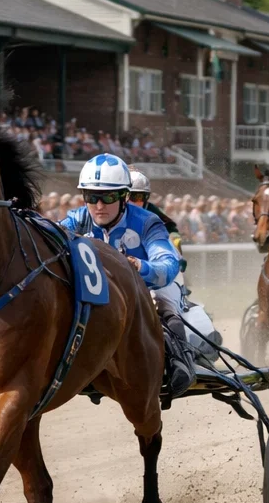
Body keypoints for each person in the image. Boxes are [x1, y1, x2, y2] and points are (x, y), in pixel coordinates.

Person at [60, 154, 194, 395]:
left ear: (124, 197)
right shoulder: (77, 220)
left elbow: (168, 264)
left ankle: (180, 363)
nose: (99, 206)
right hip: (101, 289)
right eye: (92, 197)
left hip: (148, 286)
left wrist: (141, 266)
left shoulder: (147, 222)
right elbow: (52, 240)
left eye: (108, 197)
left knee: (162, 304)